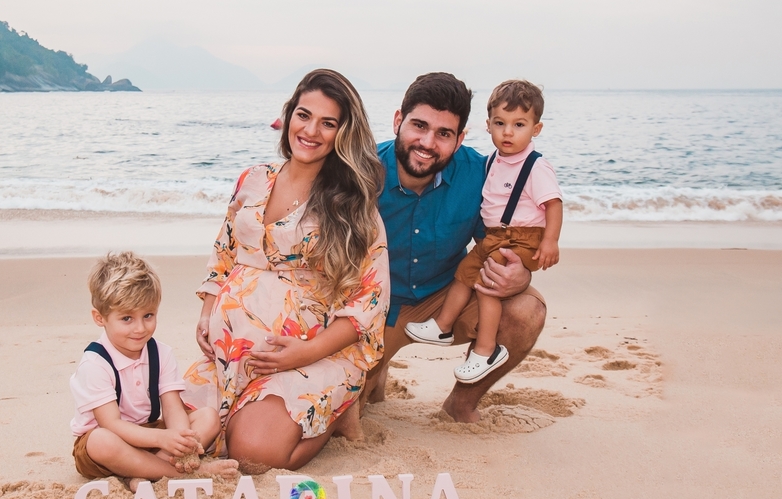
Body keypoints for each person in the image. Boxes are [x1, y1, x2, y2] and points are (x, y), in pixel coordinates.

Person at [184, 69, 389, 471]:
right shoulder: (254, 179)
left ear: (343, 133)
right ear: (288, 115)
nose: (311, 130)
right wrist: (208, 311)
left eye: (328, 123)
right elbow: (224, 251)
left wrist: (303, 353)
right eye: (303, 115)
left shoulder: (352, 205)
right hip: (231, 354)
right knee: (172, 428)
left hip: (309, 356)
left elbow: (370, 301)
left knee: (252, 454)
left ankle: (332, 415)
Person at [363, 72, 548, 422]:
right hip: (376, 306)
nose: (428, 142)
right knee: (347, 417)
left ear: (460, 138)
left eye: (444, 133)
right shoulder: (361, 171)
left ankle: (461, 403)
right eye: (419, 125)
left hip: (447, 296)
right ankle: (375, 374)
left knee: (527, 311)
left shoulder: (482, 173)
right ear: (398, 120)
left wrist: (517, 275)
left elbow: (503, 241)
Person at [405, 79, 563, 383]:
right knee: (465, 272)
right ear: (488, 125)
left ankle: (486, 350)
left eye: (519, 124)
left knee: (487, 283)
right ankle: (441, 325)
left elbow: (553, 204)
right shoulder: (489, 162)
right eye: (500, 123)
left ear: (536, 129)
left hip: (522, 236)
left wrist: (550, 242)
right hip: (496, 236)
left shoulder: (535, 167)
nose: (508, 132)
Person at [69, 251, 238, 485]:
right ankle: (180, 474)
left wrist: (180, 441)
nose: (140, 328)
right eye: (127, 319)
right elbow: (112, 424)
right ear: (100, 318)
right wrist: (162, 438)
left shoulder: (161, 353)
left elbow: (172, 408)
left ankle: (142, 473)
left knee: (208, 417)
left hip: (150, 436)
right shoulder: (95, 363)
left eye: (148, 315)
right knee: (101, 441)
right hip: (109, 442)